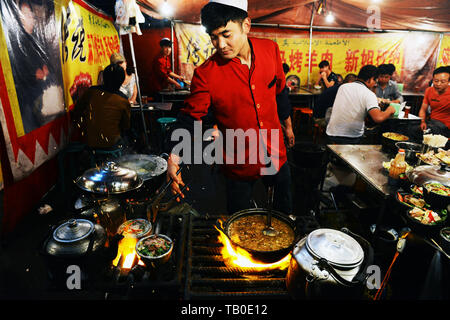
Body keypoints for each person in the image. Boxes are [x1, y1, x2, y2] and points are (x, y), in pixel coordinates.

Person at [166, 0, 293, 215]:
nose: (220, 44)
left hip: (275, 150)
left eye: (226, 34)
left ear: (246, 26)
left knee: (284, 211)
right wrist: (173, 157)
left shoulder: (270, 49)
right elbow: (189, 118)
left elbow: (280, 92)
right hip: (238, 160)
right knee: (238, 219)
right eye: (213, 37)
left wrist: (288, 127)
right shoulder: (206, 73)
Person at [326, 65, 396, 144]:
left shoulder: (343, 87)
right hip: (351, 137)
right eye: (375, 81)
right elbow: (378, 118)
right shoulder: (368, 94)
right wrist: (390, 109)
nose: (375, 84)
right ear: (370, 79)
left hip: (331, 133)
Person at [71, 63, 131, 150]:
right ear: (121, 80)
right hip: (111, 144)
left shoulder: (91, 92)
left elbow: (77, 111)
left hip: (88, 141)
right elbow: (125, 126)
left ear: (104, 78)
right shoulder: (123, 100)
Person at [411, 66, 450, 140]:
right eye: (436, 81)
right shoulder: (429, 90)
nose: (438, 84)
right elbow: (423, 109)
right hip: (432, 122)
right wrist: (422, 122)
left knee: (429, 132)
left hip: (445, 126)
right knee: (411, 127)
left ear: (448, 82)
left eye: (442, 82)